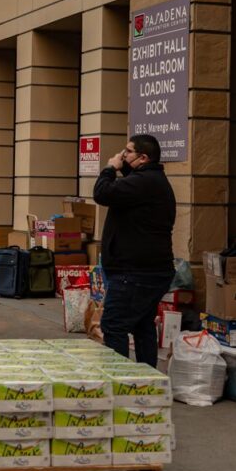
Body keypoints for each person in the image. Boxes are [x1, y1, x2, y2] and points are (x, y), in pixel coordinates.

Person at [92, 134, 176, 368]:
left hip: (136, 274)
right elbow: (124, 188)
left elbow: (102, 193)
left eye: (128, 151)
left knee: (113, 325)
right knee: (142, 325)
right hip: (147, 271)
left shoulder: (146, 183)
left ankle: (121, 381)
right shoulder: (149, 181)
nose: (122, 155)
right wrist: (123, 168)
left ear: (143, 157)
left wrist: (110, 168)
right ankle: (147, 380)